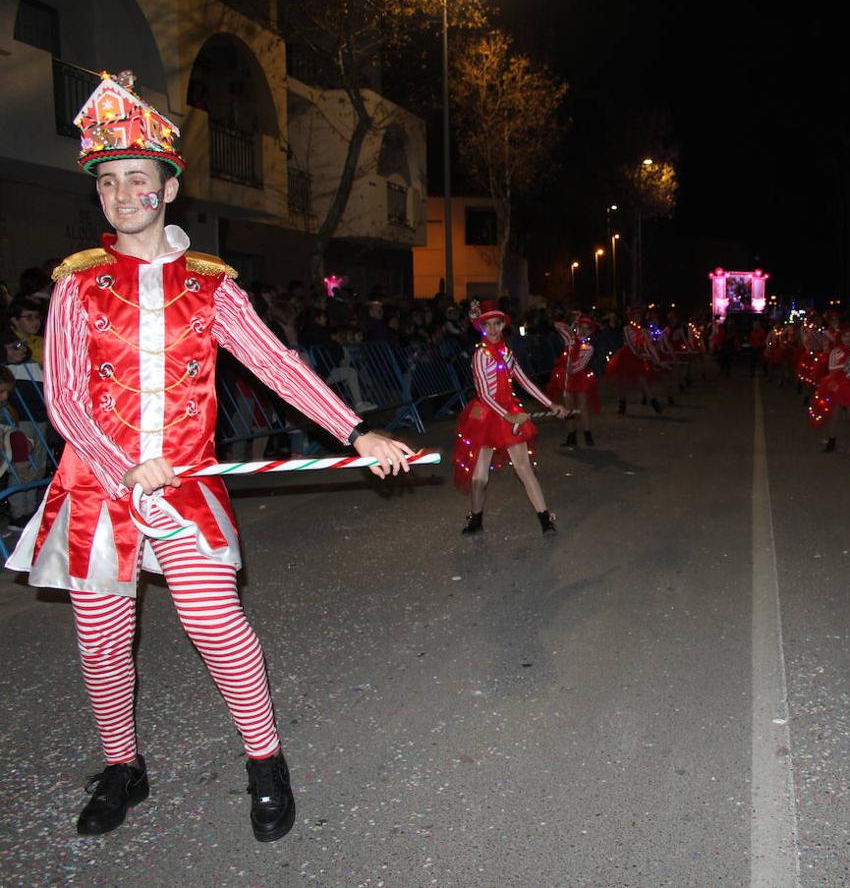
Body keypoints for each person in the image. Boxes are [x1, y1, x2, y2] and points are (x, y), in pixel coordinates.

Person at [5, 71, 414, 843]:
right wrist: (122, 463)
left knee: (219, 626)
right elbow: (62, 398)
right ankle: (123, 766)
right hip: (98, 488)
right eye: (111, 181)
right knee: (101, 640)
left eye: (138, 178)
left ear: (168, 186)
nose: (124, 193)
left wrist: (356, 432)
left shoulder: (211, 287)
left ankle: (266, 763)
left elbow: (278, 365)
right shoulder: (76, 287)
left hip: (186, 488)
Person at [453, 300, 566, 535]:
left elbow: (523, 380)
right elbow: (484, 393)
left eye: (497, 324)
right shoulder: (480, 355)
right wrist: (508, 417)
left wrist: (551, 403)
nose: (494, 330)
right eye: (488, 325)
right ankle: (476, 519)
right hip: (486, 416)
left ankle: (545, 519)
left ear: (503, 325)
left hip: (509, 412)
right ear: (482, 327)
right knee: (478, 478)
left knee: (524, 468)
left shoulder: (507, 352)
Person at [808, 325, 850, 452]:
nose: (847, 339)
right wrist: (845, 363)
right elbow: (832, 368)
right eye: (845, 336)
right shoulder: (835, 352)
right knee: (834, 415)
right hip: (836, 386)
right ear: (840, 338)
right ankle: (831, 442)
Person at [548, 314, 600, 447]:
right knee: (568, 408)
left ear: (591, 331)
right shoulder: (569, 339)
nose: (583, 331)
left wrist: (569, 364)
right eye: (581, 327)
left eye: (587, 328)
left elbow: (576, 368)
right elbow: (557, 324)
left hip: (580, 377)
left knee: (582, 407)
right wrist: (572, 325)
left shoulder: (588, 348)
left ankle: (587, 435)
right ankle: (572, 436)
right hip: (566, 375)